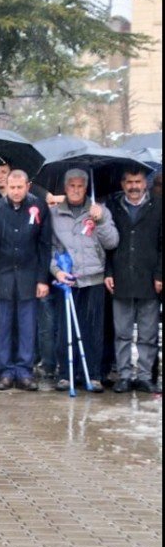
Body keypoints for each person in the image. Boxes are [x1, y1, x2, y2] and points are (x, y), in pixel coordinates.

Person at [49, 169, 118, 392]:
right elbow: (49, 248)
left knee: (94, 329)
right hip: (67, 279)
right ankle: (66, 374)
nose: (76, 190)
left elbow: (112, 243)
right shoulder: (55, 214)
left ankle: (94, 374)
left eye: (80, 186)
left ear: (86, 188)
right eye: (72, 186)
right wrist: (56, 271)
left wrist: (100, 222)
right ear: (65, 188)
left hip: (94, 278)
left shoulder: (99, 211)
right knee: (64, 327)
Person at [0, 169, 51, 391]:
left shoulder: (38, 206)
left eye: (19, 187)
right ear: (6, 187)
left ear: (27, 187)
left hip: (29, 276)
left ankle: (24, 370)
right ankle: (5, 372)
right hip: (1, 276)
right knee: (2, 326)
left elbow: (44, 245)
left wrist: (42, 279)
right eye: (11, 187)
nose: (15, 191)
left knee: (27, 326)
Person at [105, 168, 162, 394]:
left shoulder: (158, 205)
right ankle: (125, 375)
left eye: (138, 182)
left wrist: (160, 274)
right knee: (122, 333)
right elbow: (106, 245)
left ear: (145, 184)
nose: (134, 186)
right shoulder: (113, 206)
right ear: (122, 184)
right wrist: (108, 272)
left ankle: (146, 376)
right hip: (121, 277)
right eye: (129, 182)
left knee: (148, 333)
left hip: (149, 278)